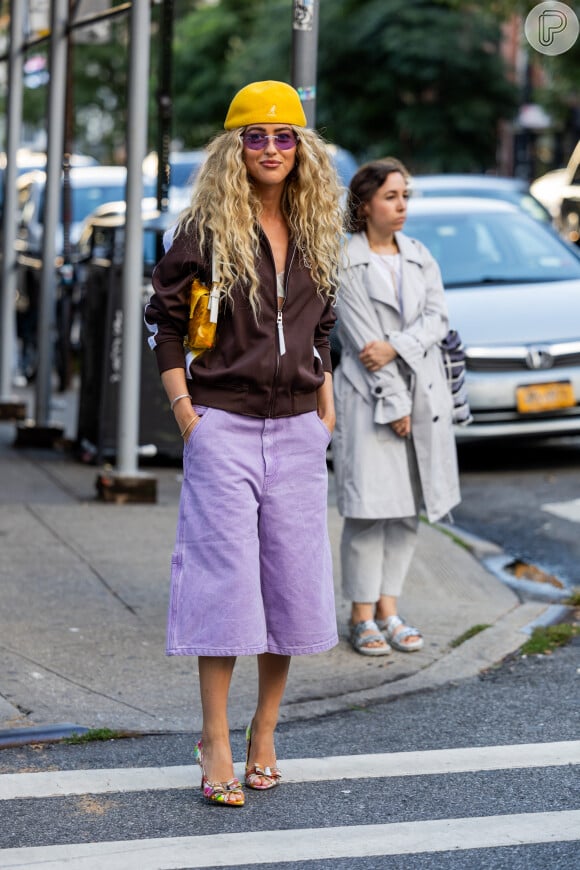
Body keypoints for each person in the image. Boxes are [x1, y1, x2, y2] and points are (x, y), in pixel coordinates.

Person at [145, 81, 344, 806]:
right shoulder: (201, 231)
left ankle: (265, 731)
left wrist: (323, 413)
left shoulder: (320, 226)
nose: (269, 148)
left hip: (297, 431)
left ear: (301, 148)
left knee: (290, 589)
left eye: (282, 136)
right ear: (235, 148)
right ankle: (215, 740)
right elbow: (164, 325)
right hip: (221, 427)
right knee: (224, 592)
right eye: (255, 137)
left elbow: (324, 331)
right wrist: (187, 416)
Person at [332, 158, 460, 657]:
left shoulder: (420, 254)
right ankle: (361, 614)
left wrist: (398, 345)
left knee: (407, 511)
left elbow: (437, 319)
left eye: (405, 195)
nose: (402, 205)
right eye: (391, 196)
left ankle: (390, 607)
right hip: (370, 399)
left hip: (425, 396)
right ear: (364, 206)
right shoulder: (347, 262)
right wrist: (396, 403)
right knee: (368, 512)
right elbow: (365, 344)